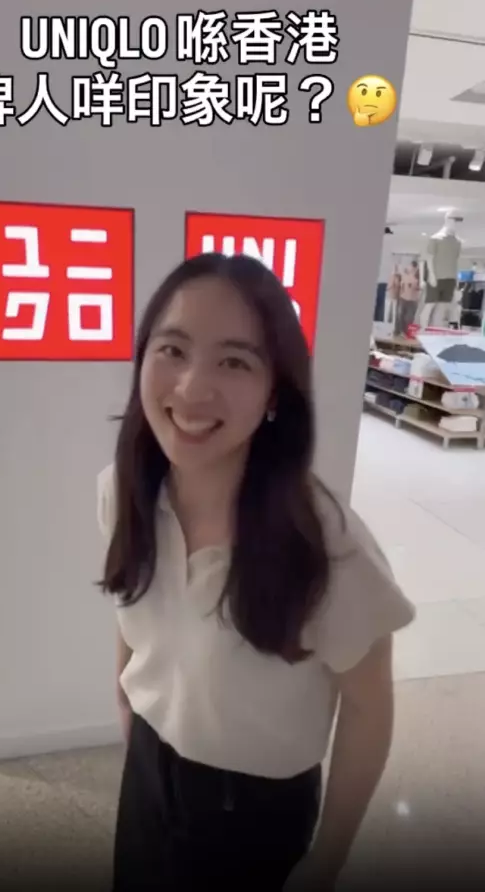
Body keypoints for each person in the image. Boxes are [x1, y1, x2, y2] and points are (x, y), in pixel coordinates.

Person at [97, 253, 415, 891]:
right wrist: (128, 701)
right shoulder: (124, 490)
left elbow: (368, 708)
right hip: (149, 771)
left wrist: (327, 861)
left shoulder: (326, 547)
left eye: (235, 361)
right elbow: (134, 605)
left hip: (254, 811)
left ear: (275, 393)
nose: (192, 388)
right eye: (173, 350)